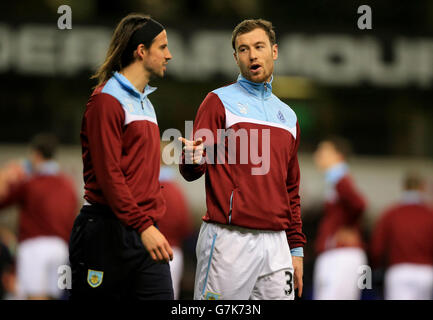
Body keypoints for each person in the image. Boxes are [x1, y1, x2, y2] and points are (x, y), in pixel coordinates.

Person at [178, 19, 306, 300]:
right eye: (244, 49)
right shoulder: (217, 101)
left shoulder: (289, 117)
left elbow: (291, 189)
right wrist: (190, 157)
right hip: (228, 239)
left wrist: (295, 249)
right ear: (236, 58)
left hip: (277, 245)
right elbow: (192, 170)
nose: (252, 55)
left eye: (259, 47)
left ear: (274, 51)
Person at [69, 13, 174, 300]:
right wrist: (143, 226)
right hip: (106, 233)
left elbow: (138, 172)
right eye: (163, 47)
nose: (170, 55)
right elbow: (109, 175)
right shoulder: (106, 100)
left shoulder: (146, 104)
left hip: (144, 230)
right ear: (141, 51)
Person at [0, 133, 78, 299]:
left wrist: (6, 174)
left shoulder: (29, 182)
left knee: (33, 296)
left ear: (36, 154)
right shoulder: (68, 184)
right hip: (61, 249)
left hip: (34, 247)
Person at [312, 136, 367, 300]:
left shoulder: (341, 180)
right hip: (336, 254)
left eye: (323, 150)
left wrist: (348, 227)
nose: (318, 155)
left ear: (338, 155)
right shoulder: (336, 181)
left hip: (342, 254)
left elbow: (359, 204)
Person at [370, 172, 433, 300]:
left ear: (403, 187)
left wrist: (376, 267)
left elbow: (377, 248)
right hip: (426, 273)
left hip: (399, 272)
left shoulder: (391, 214)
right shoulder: (429, 214)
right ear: (423, 188)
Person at [158, 144, 194, 299]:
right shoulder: (176, 190)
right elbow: (185, 225)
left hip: (150, 252)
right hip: (173, 253)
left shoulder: (148, 187)